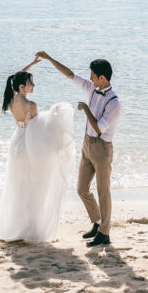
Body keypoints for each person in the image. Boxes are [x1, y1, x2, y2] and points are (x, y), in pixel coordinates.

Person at [36, 51, 121, 247]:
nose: (90, 78)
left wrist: (86, 109)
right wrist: (49, 58)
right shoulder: (91, 88)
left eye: (92, 75)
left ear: (102, 77)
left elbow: (100, 127)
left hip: (102, 148)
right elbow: (69, 74)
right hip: (87, 144)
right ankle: (98, 222)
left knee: (103, 191)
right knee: (82, 189)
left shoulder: (114, 103)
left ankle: (104, 233)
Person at [0, 57, 75, 242]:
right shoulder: (31, 106)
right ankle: (30, 227)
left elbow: (14, 78)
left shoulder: (11, 100)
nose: (34, 85)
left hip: (16, 146)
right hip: (28, 149)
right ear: (22, 87)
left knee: (17, 188)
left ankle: (15, 226)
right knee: (32, 189)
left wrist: (30, 65)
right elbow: (39, 131)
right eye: (31, 82)